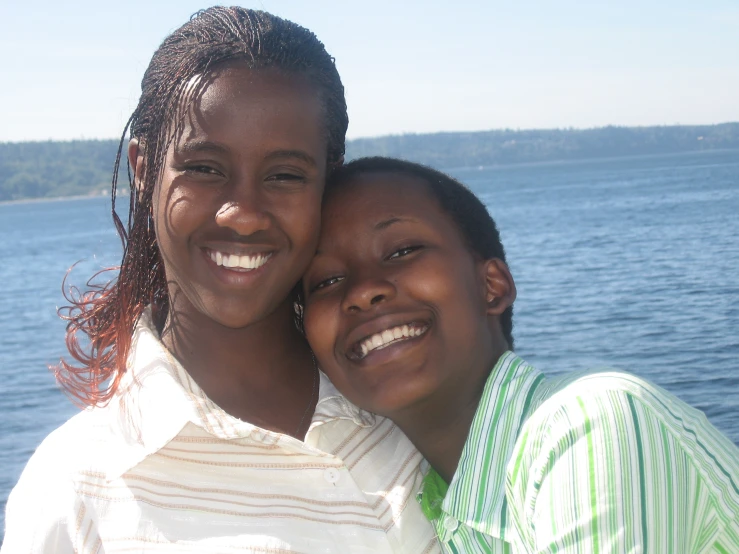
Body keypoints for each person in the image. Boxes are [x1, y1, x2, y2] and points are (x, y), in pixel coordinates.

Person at [2, 11, 439, 553]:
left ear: (330, 179)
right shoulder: (76, 491)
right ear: (144, 171)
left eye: (285, 175)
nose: (243, 214)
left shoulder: (413, 408)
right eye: (204, 168)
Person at [301, 156, 739, 553]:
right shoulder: (437, 508)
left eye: (401, 251)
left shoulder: (588, 424)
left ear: (492, 286)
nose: (362, 290)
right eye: (324, 281)